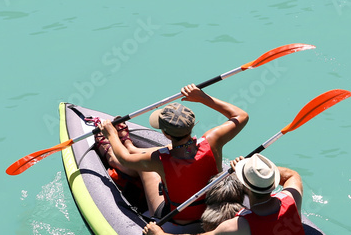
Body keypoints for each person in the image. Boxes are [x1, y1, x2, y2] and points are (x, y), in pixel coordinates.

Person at [143, 154, 309, 235]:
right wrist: (258, 171)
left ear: (244, 186)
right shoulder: (292, 198)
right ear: (273, 182)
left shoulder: (239, 225)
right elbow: (292, 175)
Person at [98, 84, 248, 225]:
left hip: (177, 220)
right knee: (169, 151)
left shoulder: (160, 159)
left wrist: (111, 134)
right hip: (212, 211)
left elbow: (125, 159)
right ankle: (129, 145)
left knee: (144, 167)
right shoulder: (213, 140)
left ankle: (111, 155)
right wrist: (202, 98)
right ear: (192, 125)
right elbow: (241, 116)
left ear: (165, 134)